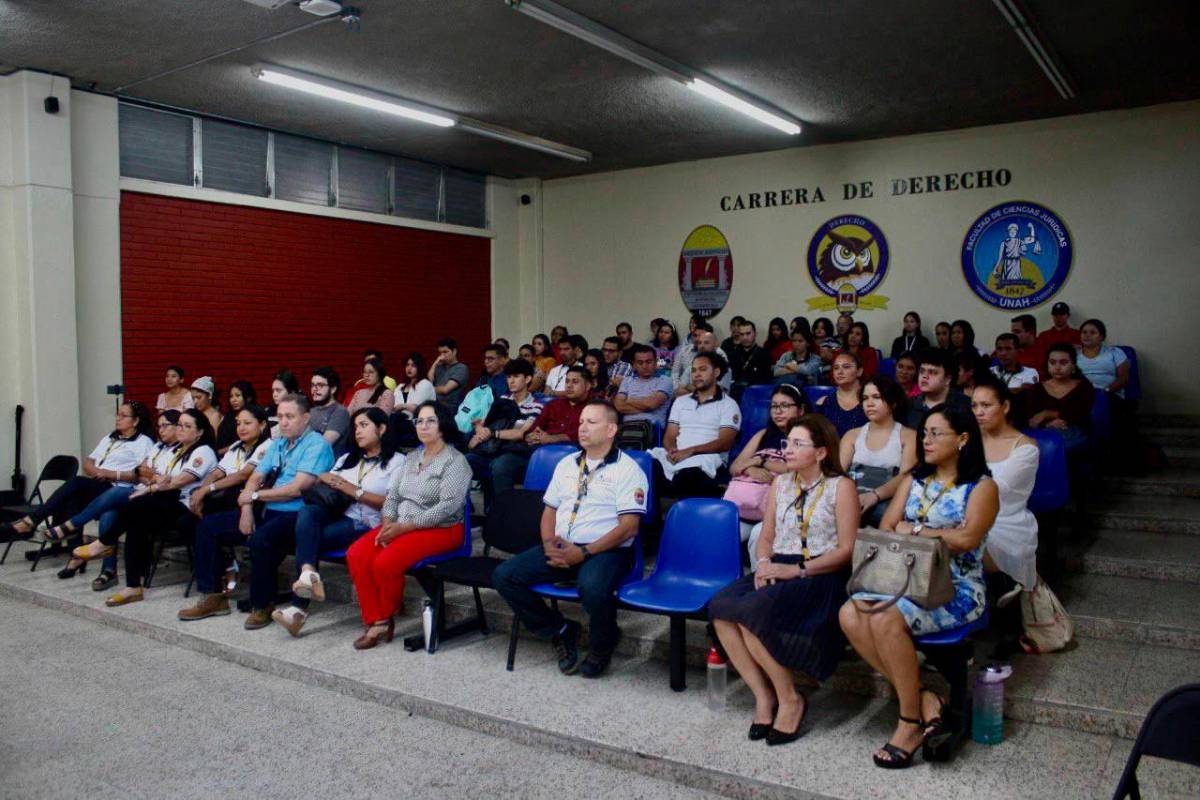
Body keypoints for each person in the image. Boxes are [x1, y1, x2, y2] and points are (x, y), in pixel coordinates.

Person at [839, 404, 998, 769]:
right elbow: (886, 525)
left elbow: (966, 540)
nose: (925, 440)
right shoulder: (914, 480)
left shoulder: (982, 487)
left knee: (882, 619)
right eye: (924, 432)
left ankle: (908, 723)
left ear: (962, 439)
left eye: (935, 434)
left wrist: (915, 531)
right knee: (850, 613)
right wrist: (931, 534)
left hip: (955, 587)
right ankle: (925, 698)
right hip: (901, 577)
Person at [710, 415, 859, 745]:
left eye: (797, 444)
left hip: (819, 575)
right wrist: (763, 563)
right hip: (778, 564)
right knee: (721, 607)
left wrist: (798, 570)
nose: (786, 450)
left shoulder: (841, 486)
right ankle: (763, 696)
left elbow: (847, 550)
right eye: (786, 443)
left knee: (750, 612)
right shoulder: (782, 483)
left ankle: (789, 697)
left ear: (820, 453)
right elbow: (767, 535)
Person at [493, 400, 648, 678]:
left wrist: (585, 553)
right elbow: (549, 510)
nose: (582, 427)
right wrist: (548, 544)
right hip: (562, 545)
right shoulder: (566, 463)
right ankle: (560, 630)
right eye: (581, 422)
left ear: (611, 429)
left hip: (606, 551)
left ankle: (603, 644)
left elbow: (628, 528)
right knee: (505, 576)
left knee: (592, 587)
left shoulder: (628, 470)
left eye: (591, 422)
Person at [268, 407, 406, 636]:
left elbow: (390, 503)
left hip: (366, 524)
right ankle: (308, 574)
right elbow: (325, 477)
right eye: (355, 427)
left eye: (364, 425)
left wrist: (351, 489)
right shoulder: (348, 458)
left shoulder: (398, 462)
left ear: (381, 429)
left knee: (307, 539)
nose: (357, 432)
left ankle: (298, 607)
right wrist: (327, 477)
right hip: (337, 514)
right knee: (307, 513)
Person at [346, 402, 471, 649]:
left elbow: (447, 507)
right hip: (402, 524)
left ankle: (383, 618)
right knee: (357, 553)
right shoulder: (412, 457)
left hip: (442, 529)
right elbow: (392, 496)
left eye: (430, 420)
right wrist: (388, 523)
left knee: (384, 561)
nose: (423, 426)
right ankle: (375, 617)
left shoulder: (456, 462)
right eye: (419, 421)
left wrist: (404, 528)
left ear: (443, 425)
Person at [74, 409, 219, 607]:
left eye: (187, 426)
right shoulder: (177, 450)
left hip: (188, 507)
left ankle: (105, 543)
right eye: (180, 425)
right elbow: (154, 474)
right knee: (136, 519)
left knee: (137, 505)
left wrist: (153, 485)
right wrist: (157, 481)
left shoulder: (203, 451)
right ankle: (133, 587)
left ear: (200, 432)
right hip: (167, 500)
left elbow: (179, 481)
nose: (181, 429)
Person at [6, 402, 156, 584]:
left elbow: (142, 475)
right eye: (117, 414)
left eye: (123, 416)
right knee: (76, 495)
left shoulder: (144, 443)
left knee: (85, 491)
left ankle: (37, 522)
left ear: (136, 421)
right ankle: (86, 558)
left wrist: (109, 474)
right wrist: (96, 472)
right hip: (100, 486)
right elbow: (88, 463)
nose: (118, 418)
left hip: (120, 489)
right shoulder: (111, 438)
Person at [972, 377, 1039, 597]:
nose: (978, 412)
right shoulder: (968, 440)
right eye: (974, 406)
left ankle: (1001, 585)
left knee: (955, 539)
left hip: (1004, 521)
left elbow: (995, 491)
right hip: (964, 513)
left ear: (1006, 406)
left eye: (986, 405)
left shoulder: (1025, 448)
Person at [650, 352, 740, 497]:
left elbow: (725, 443)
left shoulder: (728, 405)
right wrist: (673, 450)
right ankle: (653, 518)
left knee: (689, 475)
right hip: (678, 455)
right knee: (646, 464)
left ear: (716, 372)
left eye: (702, 369)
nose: (696, 374)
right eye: (694, 370)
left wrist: (690, 451)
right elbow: (670, 435)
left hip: (707, 459)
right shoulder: (681, 401)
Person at [731, 384, 807, 547]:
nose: (778, 411)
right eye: (774, 406)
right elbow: (734, 468)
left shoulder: (807, 437)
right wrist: (751, 468)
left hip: (782, 510)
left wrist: (762, 462)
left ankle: (759, 573)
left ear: (800, 409)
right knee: (720, 533)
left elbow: (795, 470)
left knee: (759, 537)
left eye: (785, 405)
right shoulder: (763, 434)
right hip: (747, 507)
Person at [466, 359, 545, 510]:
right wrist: (479, 430)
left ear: (528, 379)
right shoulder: (502, 400)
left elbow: (521, 433)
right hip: (493, 449)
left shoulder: (536, 406)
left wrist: (493, 433)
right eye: (509, 377)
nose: (511, 381)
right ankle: (465, 509)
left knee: (500, 466)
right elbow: (485, 424)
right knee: (465, 461)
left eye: (516, 376)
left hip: (515, 452)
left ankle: (503, 513)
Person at [840, 375, 918, 527]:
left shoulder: (909, 436)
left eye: (876, 397)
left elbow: (906, 478)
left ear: (893, 402)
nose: (869, 403)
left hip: (888, 501)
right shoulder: (851, 435)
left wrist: (875, 495)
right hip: (851, 497)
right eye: (865, 398)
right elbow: (839, 473)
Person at [1026, 344, 1094, 454]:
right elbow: (1032, 417)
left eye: (1063, 362)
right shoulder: (1037, 388)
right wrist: (1048, 424)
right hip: (1043, 431)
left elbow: (1080, 414)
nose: (1057, 367)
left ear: (1073, 365)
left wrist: (1048, 413)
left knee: (1053, 448)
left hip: (1074, 432)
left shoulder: (1083, 386)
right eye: (1052, 362)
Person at [906, 349, 971, 428]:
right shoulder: (908, 405)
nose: (924, 376)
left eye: (932, 372)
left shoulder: (965, 405)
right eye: (922, 371)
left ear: (948, 379)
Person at [613, 344, 673, 428]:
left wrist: (629, 400)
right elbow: (619, 406)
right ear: (634, 365)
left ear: (656, 362)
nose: (644, 366)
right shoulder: (627, 380)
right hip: (626, 428)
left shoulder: (665, 380)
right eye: (640, 363)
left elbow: (652, 403)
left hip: (652, 429)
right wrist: (647, 407)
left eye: (648, 362)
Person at [814, 352, 868, 437]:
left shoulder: (870, 400)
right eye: (836, 368)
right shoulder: (824, 403)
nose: (840, 371)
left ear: (859, 371)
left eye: (846, 367)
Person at [1076, 318, 1129, 397]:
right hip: (1081, 396)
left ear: (1101, 336)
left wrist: (1105, 391)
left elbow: (1123, 378)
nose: (1087, 335)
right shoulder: (1074, 354)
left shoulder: (1114, 352)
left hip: (1109, 395)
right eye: (1084, 332)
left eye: (1092, 332)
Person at [672, 327, 732, 396]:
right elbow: (677, 393)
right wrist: (700, 390)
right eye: (699, 343)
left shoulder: (723, 367)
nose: (702, 346)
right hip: (690, 405)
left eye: (706, 343)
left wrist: (688, 386)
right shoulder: (692, 367)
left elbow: (713, 393)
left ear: (716, 345)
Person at [308, 367, 352, 455]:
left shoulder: (340, 412)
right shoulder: (310, 412)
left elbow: (322, 446)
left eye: (320, 385)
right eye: (313, 385)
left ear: (333, 389)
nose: (314, 389)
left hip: (328, 466)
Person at [727, 320, 774, 398]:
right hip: (735, 393)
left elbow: (765, 380)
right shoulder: (733, 354)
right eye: (742, 334)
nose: (745, 337)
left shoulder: (763, 354)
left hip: (757, 394)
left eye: (748, 333)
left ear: (755, 334)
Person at [429, 337, 470, 411]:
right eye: (440, 353)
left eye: (445, 352)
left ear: (454, 351)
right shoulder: (439, 367)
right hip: (435, 404)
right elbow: (429, 381)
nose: (442, 356)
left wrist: (429, 389)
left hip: (450, 408)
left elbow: (445, 389)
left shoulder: (461, 368)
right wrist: (435, 364)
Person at [216, 381, 257, 454]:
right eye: (231, 396)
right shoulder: (228, 416)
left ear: (248, 398)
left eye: (238, 396)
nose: (234, 400)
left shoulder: (255, 415)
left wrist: (219, 452)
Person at [394, 352, 436, 419]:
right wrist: (406, 406)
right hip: (399, 422)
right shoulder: (400, 386)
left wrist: (402, 406)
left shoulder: (425, 384)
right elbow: (394, 407)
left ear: (420, 367)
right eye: (407, 365)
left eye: (413, 365)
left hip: (419, 422)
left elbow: (416, 408)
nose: (409, 368)